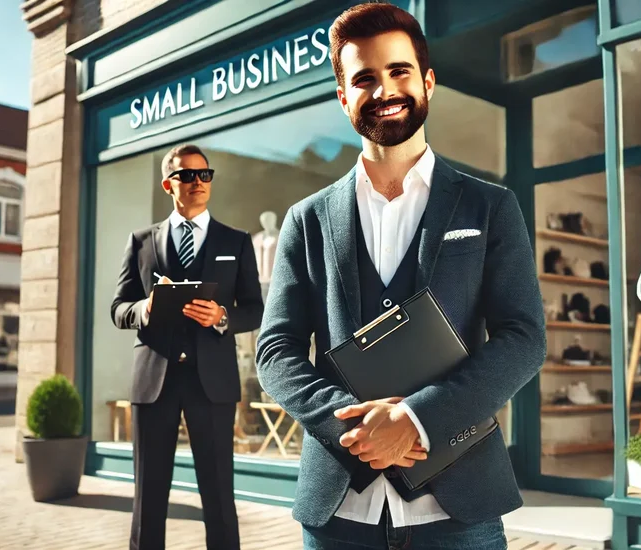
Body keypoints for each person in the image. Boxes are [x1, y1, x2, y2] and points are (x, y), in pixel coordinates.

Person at [254, 3, 546, 549]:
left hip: (461, 513)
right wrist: (355, 433)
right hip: (338, 512)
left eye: (399, 71)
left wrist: (416, 418)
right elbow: (275, 352)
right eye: (364, 78)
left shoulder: (490, 206)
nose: (384, 89)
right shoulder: (307, 219)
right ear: (344, 98)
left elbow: (524, 339)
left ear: (428, 82)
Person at [111, 143, 264, 550]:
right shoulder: (141, 242)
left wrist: (222, 318)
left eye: (204, 175)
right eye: (187, 175)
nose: (198, 182)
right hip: (153, 381)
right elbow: (117, 308)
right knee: (148, 497)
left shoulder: (237, 241)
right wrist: (143, 308)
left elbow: (255, 310)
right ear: (168, 183)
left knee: (218, 495)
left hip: (211, 383)